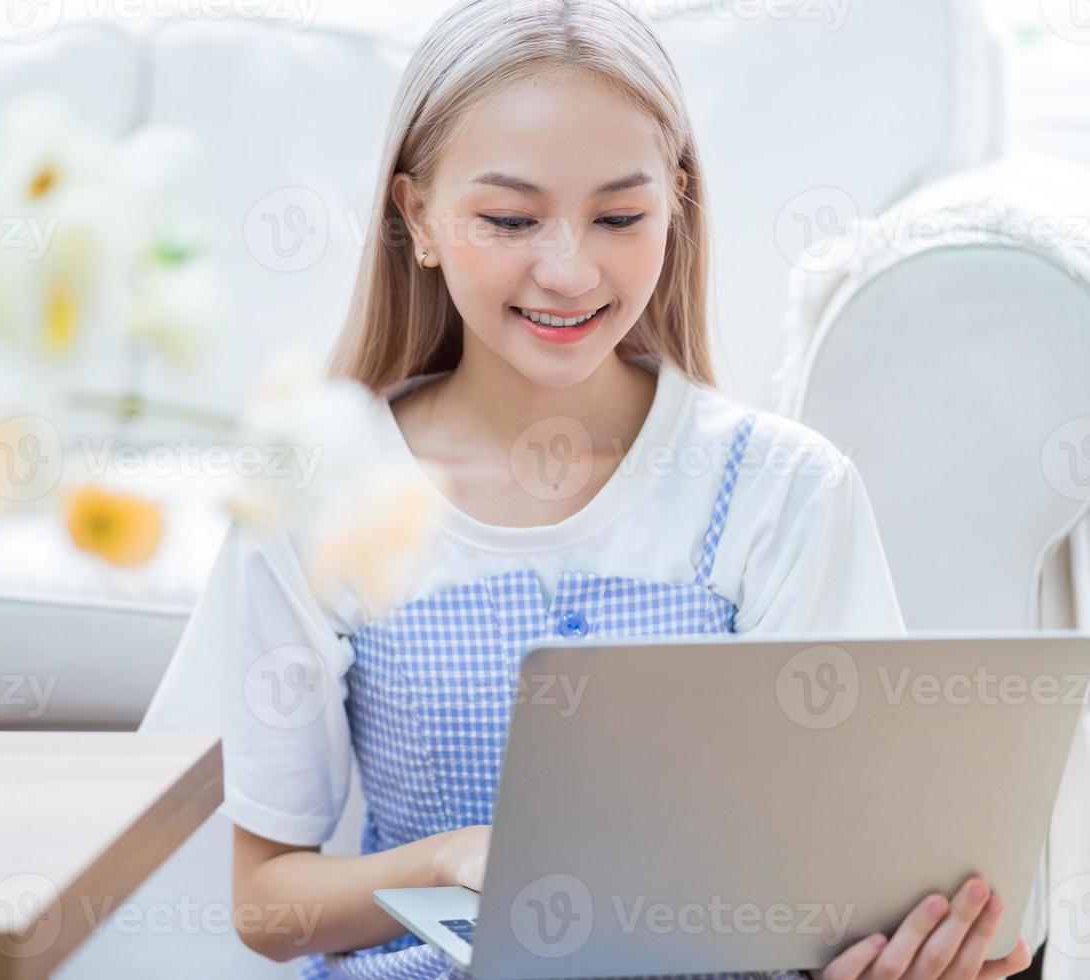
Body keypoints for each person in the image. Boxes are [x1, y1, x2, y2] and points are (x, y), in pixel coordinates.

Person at [140, 1, 1034, 977]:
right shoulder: (322, 492)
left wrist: (913, 947)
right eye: (510, 218)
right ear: (418, 218)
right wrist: (451, 858)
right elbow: (269, 903)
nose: (567, 270)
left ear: (675, 207)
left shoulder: (783, 489)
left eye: (618, 216)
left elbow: (856, 867)